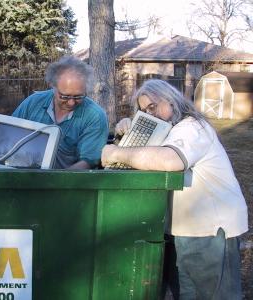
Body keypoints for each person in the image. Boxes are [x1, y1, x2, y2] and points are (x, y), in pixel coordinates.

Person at [101, 79, 248, 299]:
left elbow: (170, 160)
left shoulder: (192, 127)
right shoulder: (170, 130)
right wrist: (128, 129)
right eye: (143, 111)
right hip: (185, 230)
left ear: (171, 99)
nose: (151, 114)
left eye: (153, 107)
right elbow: (146, 159)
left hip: (209, 230)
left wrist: (116, 153)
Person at [12, 55, 109, 169]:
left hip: (68, 182)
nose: (71, 103)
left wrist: (55, 182)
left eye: (78, 96)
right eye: (64, 96)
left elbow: (88, 161)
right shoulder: (33, 103)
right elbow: (9, 135)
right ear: (53, 86)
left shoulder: (95, 116)